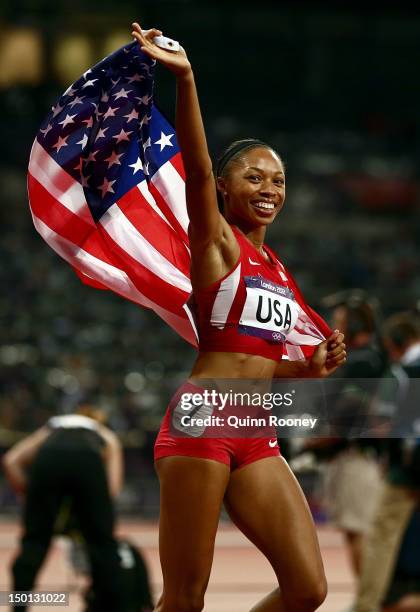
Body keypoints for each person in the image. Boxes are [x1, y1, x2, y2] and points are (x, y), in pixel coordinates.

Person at [131, 23, 346, 612]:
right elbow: (195, 170)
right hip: (204, 419)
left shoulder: (276, 267)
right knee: (184, 599)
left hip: (257, 426)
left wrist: (309, 370)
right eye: (254, 177)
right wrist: (186, 80)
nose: (269, 188)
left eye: (278, 180)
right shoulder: (217, 245)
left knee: (308, 588)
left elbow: (263, 365)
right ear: (225, 189)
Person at [2, 405, 129, 612]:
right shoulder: (103, 433)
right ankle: (108, 606)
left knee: (34, 544)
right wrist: (91, 510)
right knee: (103, 546)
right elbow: (112, 489)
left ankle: (18, 606)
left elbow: (11, 461)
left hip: (49, 459)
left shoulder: (54, 427)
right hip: (88, 462)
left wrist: (33, 495)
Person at [354, 312, 420, 612]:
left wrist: (387, 459)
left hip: (409, 469)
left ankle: (366, 605)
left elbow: (382, 424)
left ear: (397, 343)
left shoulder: (402, 373)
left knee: (382, 535)